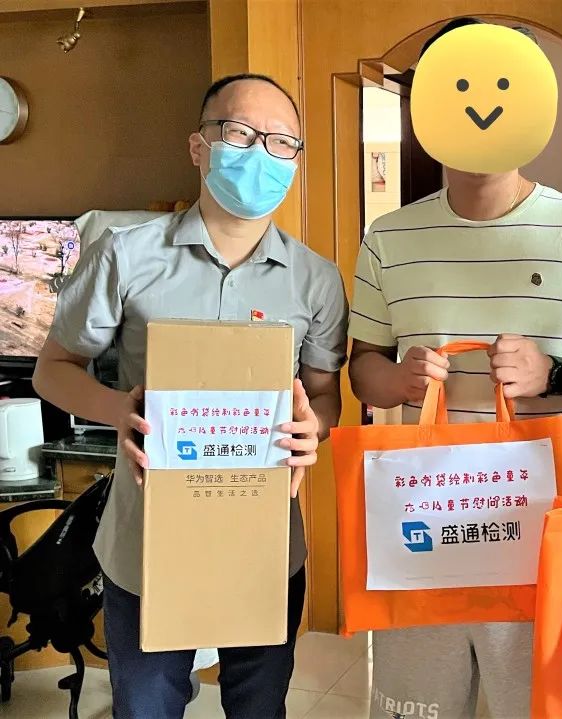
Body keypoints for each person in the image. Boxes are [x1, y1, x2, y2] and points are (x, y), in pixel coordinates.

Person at [347, 19, 562, 719]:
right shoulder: (388, 237)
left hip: (540, 524)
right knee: (414, 709)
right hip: (423, 517)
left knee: (537, 705)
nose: (478, 108)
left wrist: (555, 374)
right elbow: (362, 368)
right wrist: (397, 381)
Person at [33, 73, 348, 718]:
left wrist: (312, 429)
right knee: (147, 706)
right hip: (146, 541)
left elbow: (324, 397)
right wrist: (121, 409)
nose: (261, 153)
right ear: (199, 146)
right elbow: (53, 370)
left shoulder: (316, 280)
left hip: (263, 543)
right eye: (240, 133)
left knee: (259, 705)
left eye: (282, 142)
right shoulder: (125, 257)